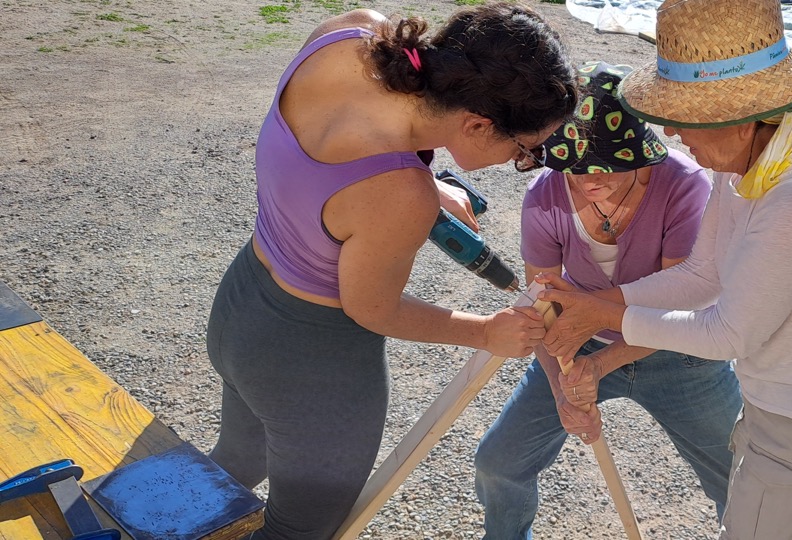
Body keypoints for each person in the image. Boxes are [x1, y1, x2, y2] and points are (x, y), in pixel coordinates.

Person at [535, 0, 792, 538]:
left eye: (682, 120)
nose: (670, 135)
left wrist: (599, 312)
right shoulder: (759, 155)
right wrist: (600, 306)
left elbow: (727, 332)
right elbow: (703, 274)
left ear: (738, 118)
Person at [204, 6, 578, 538]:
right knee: (300, 529)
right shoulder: (401, 194)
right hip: (309, 362)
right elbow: (372, 309)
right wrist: (487, 332)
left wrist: (424, 176)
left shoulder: (355, 33)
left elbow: (333, 167)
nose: (521, 162)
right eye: (524, 150)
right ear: (476, 123)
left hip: (242, 305)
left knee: (229, 468)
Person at [473, 61, 743, 539]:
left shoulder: (686, 187)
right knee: (498, 464)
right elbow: (545, 303)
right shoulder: (544, 195)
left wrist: (602, 367)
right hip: (581, 345)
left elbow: (684, 302)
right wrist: (563, 388)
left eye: (605, 165)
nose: (587, 180)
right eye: (572, 167)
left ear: (640, 151)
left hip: (680, 352)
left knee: (742, 480)